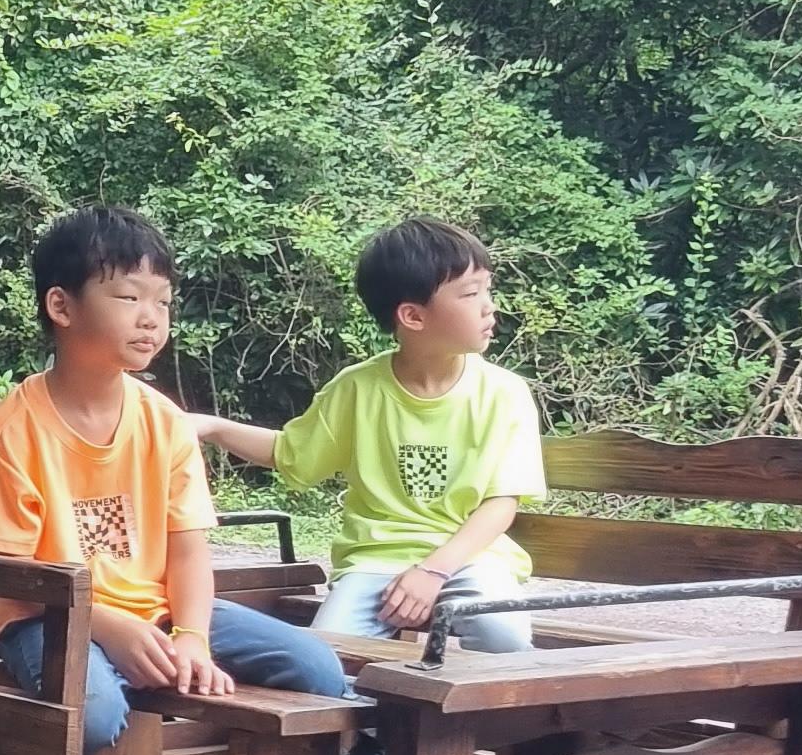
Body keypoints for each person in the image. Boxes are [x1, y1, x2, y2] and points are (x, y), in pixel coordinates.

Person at [0, 205, 356, 755]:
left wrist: (193, 637)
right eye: (127, 296)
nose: (152, 317)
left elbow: (187, 548)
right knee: (91, 715)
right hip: (46, 620)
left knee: (319, 672)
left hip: (163, 611)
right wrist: (109, 628)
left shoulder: (163, 421)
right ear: (61, 306)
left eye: (164, 302)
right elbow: (15, 574)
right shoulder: (12, 429)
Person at [191, 215, 547, 655]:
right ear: (413, 315)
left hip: (473, 559)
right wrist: (212, 427)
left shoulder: (504, 393)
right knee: (327, 655)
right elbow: (293, 453)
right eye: (471, 293)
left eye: (487, 289)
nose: (489, 306)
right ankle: (379, 726)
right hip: (375, 561)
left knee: (504, 635)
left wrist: (433, 572)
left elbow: (500, 504)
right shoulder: (357, 388)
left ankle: (493, 723)